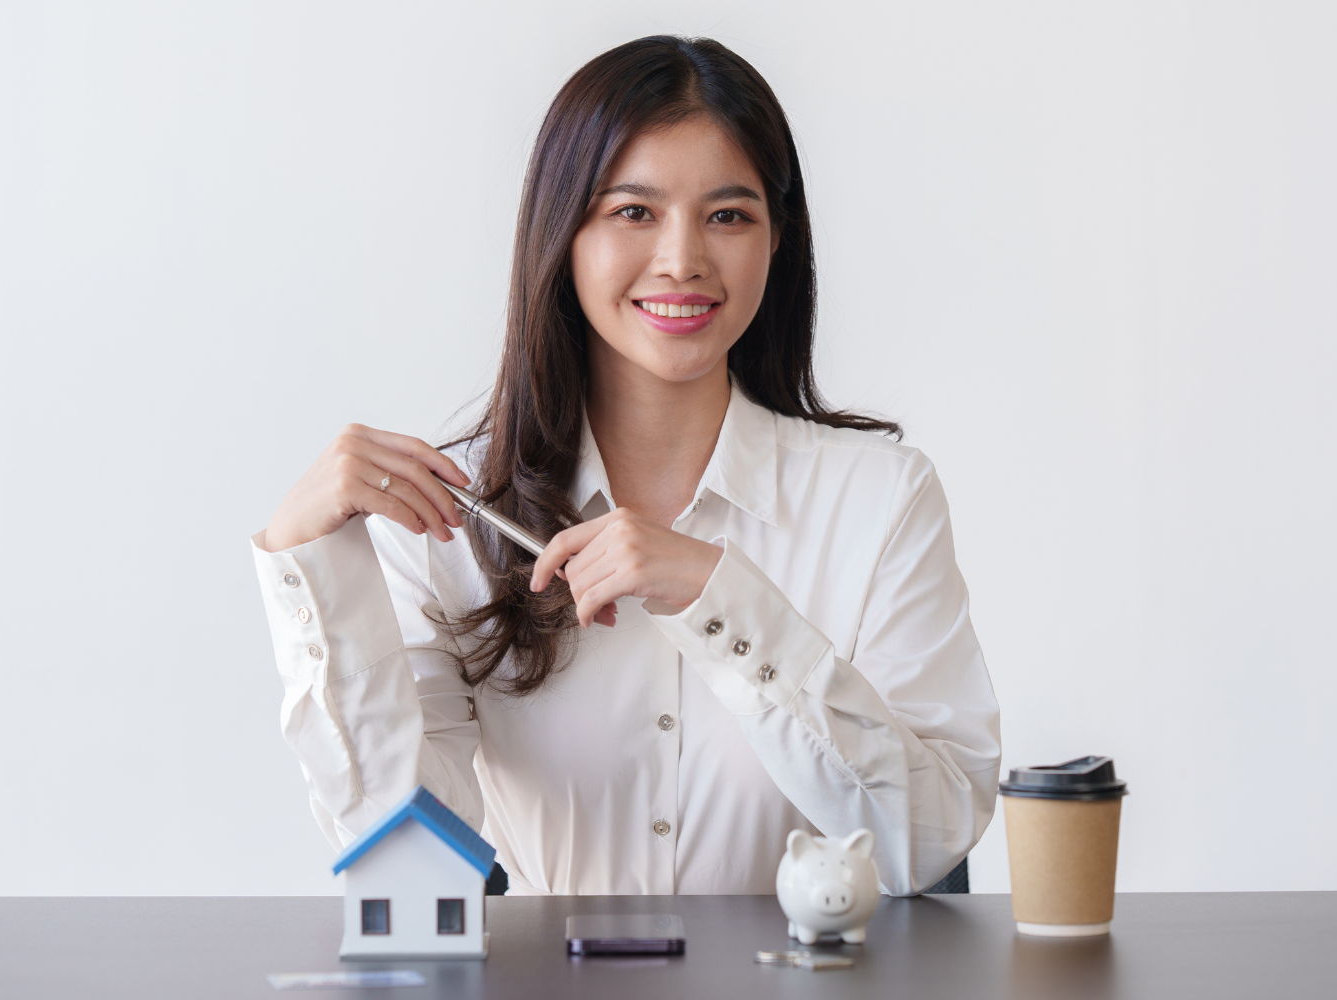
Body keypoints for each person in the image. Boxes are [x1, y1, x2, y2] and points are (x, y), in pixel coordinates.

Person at [252, 35, 1000, 896]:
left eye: (728, 215)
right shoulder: (447, 516)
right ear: (562, 234)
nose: (683, 259)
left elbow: (928, 840)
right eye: (634, 212)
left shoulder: (882, 498)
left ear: (777, 241)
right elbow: (412, 857)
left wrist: (719, 599)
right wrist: (313, 571)